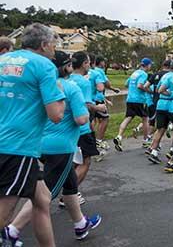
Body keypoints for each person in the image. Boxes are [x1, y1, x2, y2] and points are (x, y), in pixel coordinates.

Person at [5, 51, 101, 244]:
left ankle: (80, 224)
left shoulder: (42, 85)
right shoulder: (71, 87)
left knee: (69, 183)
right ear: (66, 67)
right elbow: (81, 119)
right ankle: (13, 229)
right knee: (46, 195)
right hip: (62, 147)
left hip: (39, 144)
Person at [0, 23, 65, 247]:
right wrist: (61, 96)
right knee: (4, 210)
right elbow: (56, 115)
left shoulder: (2, 60)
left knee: (42, 200)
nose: (55, 50)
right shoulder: (44, 66)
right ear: (44, 44)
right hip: (19, 145)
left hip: (6, 139)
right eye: (54, 44)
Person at [69, 52, 106, 205]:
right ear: (84, 63)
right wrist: (99, 107)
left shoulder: (66, 80)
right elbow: (86, 105)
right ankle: (70, 193)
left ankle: (68, 192)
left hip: (68, 127)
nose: (90, 65)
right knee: (85, 161)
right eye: (89, 62)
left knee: (73, 162)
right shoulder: (83, 82)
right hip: (81, 128)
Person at [114, 58, 153, 151]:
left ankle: (119, 136)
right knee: (145, 119)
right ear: (147, 65)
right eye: (150, 65)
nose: (150, 67)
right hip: (139, 100)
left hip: (130, 99)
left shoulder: (134, 73)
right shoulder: (143, 74)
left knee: (128, 117)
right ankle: (146, 140)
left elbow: (126, 84)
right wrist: (148, 90)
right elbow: (139, 86)